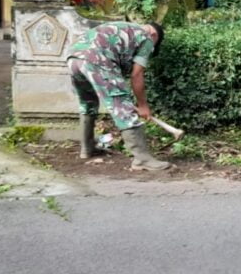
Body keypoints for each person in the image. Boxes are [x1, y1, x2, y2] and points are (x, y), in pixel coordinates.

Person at [66, 21, 171, 170]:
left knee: (88, 102)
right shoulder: (147, 37)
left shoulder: (124, 27)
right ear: (154, 35)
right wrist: (143, 105)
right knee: (122, 107)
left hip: (74, 58)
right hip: (97, 59)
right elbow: (137, 74)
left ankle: (87, 148)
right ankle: (143, 159)